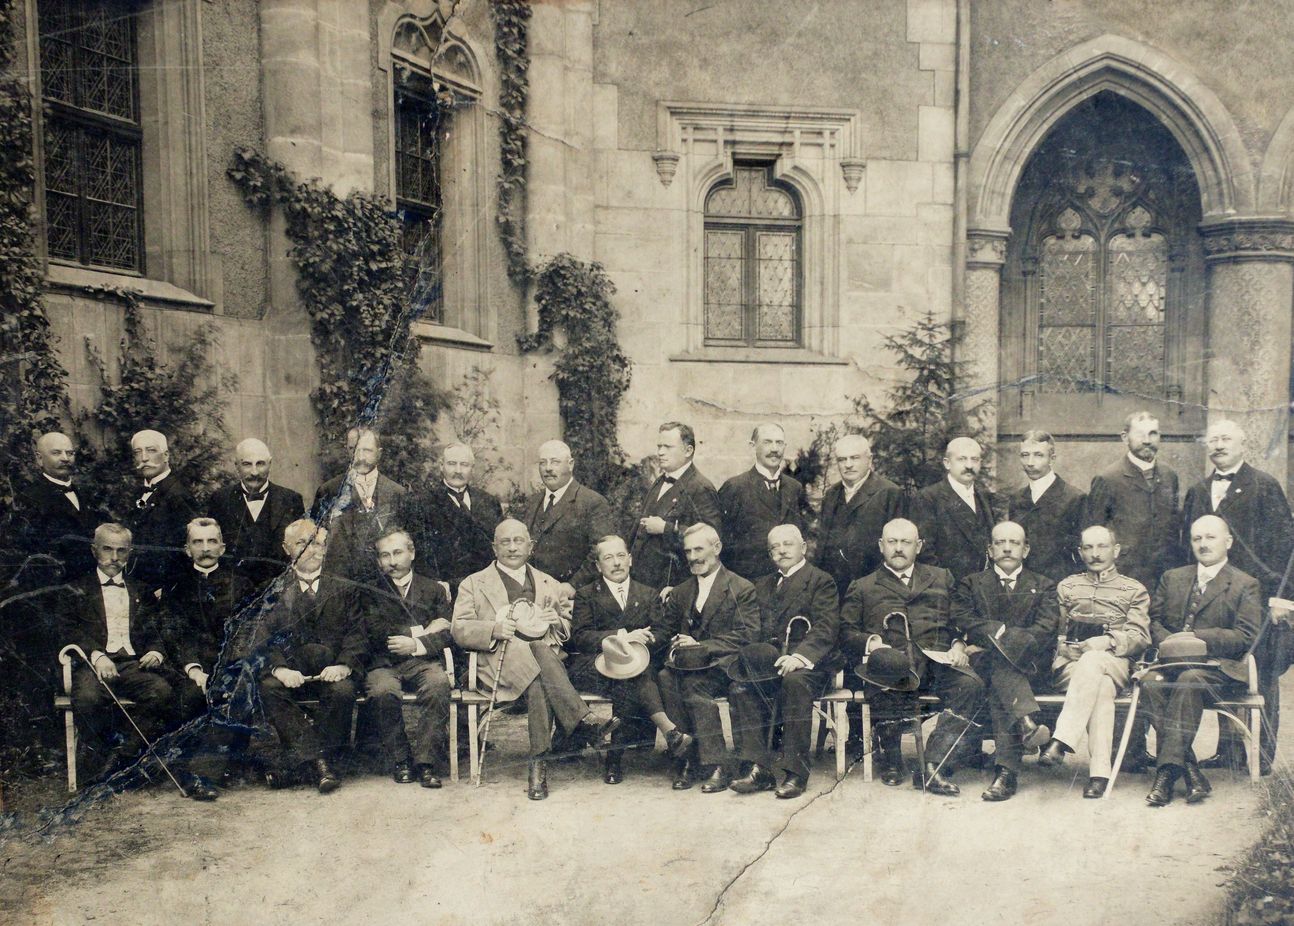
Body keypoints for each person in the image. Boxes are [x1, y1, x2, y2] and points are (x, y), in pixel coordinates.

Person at [451, 519, 616, 801]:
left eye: (519, 541)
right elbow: (459, 628)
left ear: (531, 546)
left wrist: (556, 622)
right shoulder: (474, 583)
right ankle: (583, 721)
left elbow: (568, 626)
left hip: (543, 672)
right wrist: (493, 629)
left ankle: (538, 765)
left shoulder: (548, 583)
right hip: (497, 666)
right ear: (494, 548)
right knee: (540, 655)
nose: (512, 547)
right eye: (505, 542)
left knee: (538, 677)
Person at [840, 518, 984, 796]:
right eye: (892, 542)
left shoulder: (941, 577)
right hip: (893, 666)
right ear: (881, 546)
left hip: (937, 663)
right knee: (886, 673)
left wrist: (958, 644)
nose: (898, 548)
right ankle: (892, 758)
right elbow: (846, 632)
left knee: (970, 685)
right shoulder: (863, 586)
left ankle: (932, 764)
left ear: (918, 546)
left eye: (905, 542)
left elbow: (959, 620)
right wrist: (873, 643)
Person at [1181, 419, 1294, 774]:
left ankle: (1262, 757)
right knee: (1221, 665)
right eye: (1213, 439)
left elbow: (1286, 547)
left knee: (1262, 675)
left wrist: (1282, 599)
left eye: (1226, 439)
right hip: (1216, 597)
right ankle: (1228, 753)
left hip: (1259, 598)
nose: (1218, 445)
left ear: (1243, 445)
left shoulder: (1264, 485)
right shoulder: (1198, 490)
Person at [1143, 515, 1261, 806]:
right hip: (1170, 665)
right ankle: (1190, 770)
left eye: (1211, 537)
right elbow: (1154, 622)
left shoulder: (1245, 584)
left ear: (1228, 542)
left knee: (1190, 679)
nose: (1203, 544)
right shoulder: (1173, 577)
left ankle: (1166, 775)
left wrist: (1194, 638)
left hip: (1218, 669)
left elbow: (1246, 636)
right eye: (1197, 538)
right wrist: (1171, 644)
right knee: (1149, 681)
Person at [246, 519, 363, 794]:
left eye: (318, 543)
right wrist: (280, 669)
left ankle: (300, 766)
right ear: (286, 548)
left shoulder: (346, 587)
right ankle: (321, 764)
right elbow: (262, 638)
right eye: (302, 543)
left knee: (344, 691)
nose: (312, 550)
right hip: (291, 673)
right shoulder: (271, 589)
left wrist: (344, 665)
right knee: (268, 687)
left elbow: (358, 634)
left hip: (331, 671)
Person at [567, 534, 693, 785]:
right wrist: (622, 636)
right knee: (632, 674)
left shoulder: (648, 593)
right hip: (598, 665)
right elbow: (580, 637)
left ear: (630, 559)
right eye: (608, 558)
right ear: (598, 565)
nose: (616, 563)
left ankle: (614, 759)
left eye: (621, 556)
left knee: (629, 676)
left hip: (637, 663)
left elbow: (662, 632)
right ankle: (670, 731)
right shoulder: (586, 594)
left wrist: (641, 642)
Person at [727, 524, 840, 798]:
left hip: (810, 664)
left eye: (788, 544)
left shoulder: (820, 581)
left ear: (803, 547)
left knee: (794, 683)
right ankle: (758, 769)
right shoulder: (762, 585)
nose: (781, 551)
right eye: (774, 547)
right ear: (769, 554)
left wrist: (799, 657)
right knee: (740, 687)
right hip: (772, 662)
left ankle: (796, 772)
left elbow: (826, 628)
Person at [1038, 525, 1151, 798]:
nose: (1095, 554)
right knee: (1100, 685)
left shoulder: (1134, 589)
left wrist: (1108, 641)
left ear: (1116, 550)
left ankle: (1061, 739)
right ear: (1080, 552)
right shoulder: (1067, 587)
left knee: (1095, 661)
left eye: (1102, 546)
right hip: (1071, 667)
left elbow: (1140, 637)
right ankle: (1099, 774)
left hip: (1116, 663)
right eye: (1088, 547)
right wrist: (1063, 647)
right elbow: (1052, 632)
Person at [951, 521, 1060, 801]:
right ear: (990, 550)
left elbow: (1045, 629)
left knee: (1002, 673)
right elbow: (963, 619)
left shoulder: (1044, 585)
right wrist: (1000, 631)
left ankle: (1011, 763)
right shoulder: (971, 583)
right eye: (1000, 543)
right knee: (1002, 674)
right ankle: (1010, 761)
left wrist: (997, 641)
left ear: (1026, 550)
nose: (1007, 548)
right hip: (985, 671)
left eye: (1014, 543)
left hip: (1030, 667)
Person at [61, 523, 177, 777]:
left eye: (121, 551)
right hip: (93, 665)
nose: (114, 557)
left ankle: (124, 755)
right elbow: (69, 629)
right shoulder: (76, 588)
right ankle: (97, 763)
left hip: (133, 665)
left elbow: (156, 629)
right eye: (107, 549)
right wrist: (97, 655)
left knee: (161, 691)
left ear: (129, 553)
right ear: (94, 550)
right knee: (88, 698)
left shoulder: (141, 589)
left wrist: (155, 651)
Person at [656, 523, 759, 793]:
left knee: (693, 685)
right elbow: (665, 631)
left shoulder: (741, 587)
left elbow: (747, 634)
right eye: (688, 551)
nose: (692, 557)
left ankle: (717, 764)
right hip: (690, 665)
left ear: (717, 548)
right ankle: (687, 758)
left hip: (726, 665)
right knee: (665, 677)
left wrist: (701, 646)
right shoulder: (682, 591)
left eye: (699, 549)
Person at [159, 518, 255, 800]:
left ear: (222, 548)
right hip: (189, 668)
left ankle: (204, 775)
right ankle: (188, 767)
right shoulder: (175, 587)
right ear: (187, 549)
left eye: (212, 541)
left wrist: (228, 667)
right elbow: (174, 633)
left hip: (231, 665)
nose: (205, 548)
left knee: (233, 692)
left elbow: (247, 630)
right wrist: (193, 669)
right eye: (197, 542)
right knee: (188, 696)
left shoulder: (242, 584)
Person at [359, 528, 455, 789]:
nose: (392, 561)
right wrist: (422, 632)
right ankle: (400, 759)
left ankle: (426, 762)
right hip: (383, 663)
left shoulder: (434, 589)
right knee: (382, 691)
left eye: (398, 552)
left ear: (412, 553)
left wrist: (415, 644)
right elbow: (375, 631)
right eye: (385, 555)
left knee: (438, 684)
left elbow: (447, 632)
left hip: (423, 661)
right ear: (378, 560)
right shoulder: (369, 590)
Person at [1085, 411, 1181, 592]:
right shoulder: (1108, 479)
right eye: (1140, 434)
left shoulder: (1170, 476)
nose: (1147, 440)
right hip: (1124, 576)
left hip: (1165, 576)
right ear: (1125, 437)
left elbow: (1174, 528)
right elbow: (1094, 532)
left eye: (1153, 434)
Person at [627, 422, 722, 590]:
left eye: (668, 447)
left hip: (673, 586)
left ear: (688, 451)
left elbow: (712, 538)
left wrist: (666, 528)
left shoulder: (701, 487)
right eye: (659, 446)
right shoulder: (660, 481)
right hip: (642, 582)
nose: (660, 452)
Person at [401, 441, 503, 595]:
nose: (458, 471)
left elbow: (497, 549)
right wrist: (437, 588)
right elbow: (419, 554)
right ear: (441, 466)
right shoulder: (422, 502)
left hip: (486, 589)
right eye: (452, 464)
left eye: (464, 465)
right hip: (445, 591)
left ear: (473, 468)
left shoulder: (489, 502)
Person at [812, 434, 905, 596]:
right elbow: (822, 547)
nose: (848, 465)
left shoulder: (889, 493)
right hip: (833, 589)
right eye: (842, 460)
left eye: (854, 458)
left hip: (873, 589)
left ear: (869, 460)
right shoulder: (831, 494)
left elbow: (897, 549)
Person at [207, 438, 306, 590]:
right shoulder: (220, 500)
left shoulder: (291, 500)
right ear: (237, 466)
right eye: (247, 464)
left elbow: (300, 550)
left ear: (270, 464)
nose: (254, 472)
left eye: (260, 464)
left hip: (280, 590)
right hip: (231, 592)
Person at [718, 423, 812, 581]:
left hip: (790, 582)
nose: (774, 449)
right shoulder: (735, 487)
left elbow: (804, 534)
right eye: (767, 442)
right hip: (748, 583)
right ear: (752, 446)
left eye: (779, 443)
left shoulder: (794, 488)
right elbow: (722, 543)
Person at [521, 439, 615, 594]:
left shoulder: (592, 502)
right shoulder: (533, 502)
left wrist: (573, 586)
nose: (548, 468)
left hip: (573, 595)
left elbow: (601, 551)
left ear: (570, 464)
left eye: (555, 462)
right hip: (533, 592)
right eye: (543, 463)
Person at [9, 431, 106, 580]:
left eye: (70, 453)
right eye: (56, 453)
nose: (65, 458)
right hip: (56, 583)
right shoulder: (29, 498)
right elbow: (29, 555)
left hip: (92, 581)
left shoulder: (86, 494)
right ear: (39, 459)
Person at [314, 428, 406, 583]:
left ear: (379, 453)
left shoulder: (397, 493)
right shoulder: (328, 491)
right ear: (347, 450)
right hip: (342, 583)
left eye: (367, 450)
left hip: (387, 584)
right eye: (354, 449)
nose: (360, 457)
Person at [913, 437, 998, 582]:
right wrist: (945, 585)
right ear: (947, 463)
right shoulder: (928, 498)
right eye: (962, 459)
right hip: (947, 587)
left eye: (974, 459)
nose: (969, 465)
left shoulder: (984, 497)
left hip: (983, 586)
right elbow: (925, 552)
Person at [1006, 431, 1086, 583]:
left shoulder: (1074, 498)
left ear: (1052, 458)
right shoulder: (1017, 499)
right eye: (1025, 455)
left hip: (1060, 584)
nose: (1030, 462)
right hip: (1023, 585)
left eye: (1038, 455)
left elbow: (1081, 553)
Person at [127, 429, 199, 591]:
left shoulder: (178, 495)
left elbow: (187, 552)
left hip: (165, 588)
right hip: (139, 586)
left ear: (166, 455)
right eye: (138, 452)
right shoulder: (139, 492)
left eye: (151, 450)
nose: (144, 458)